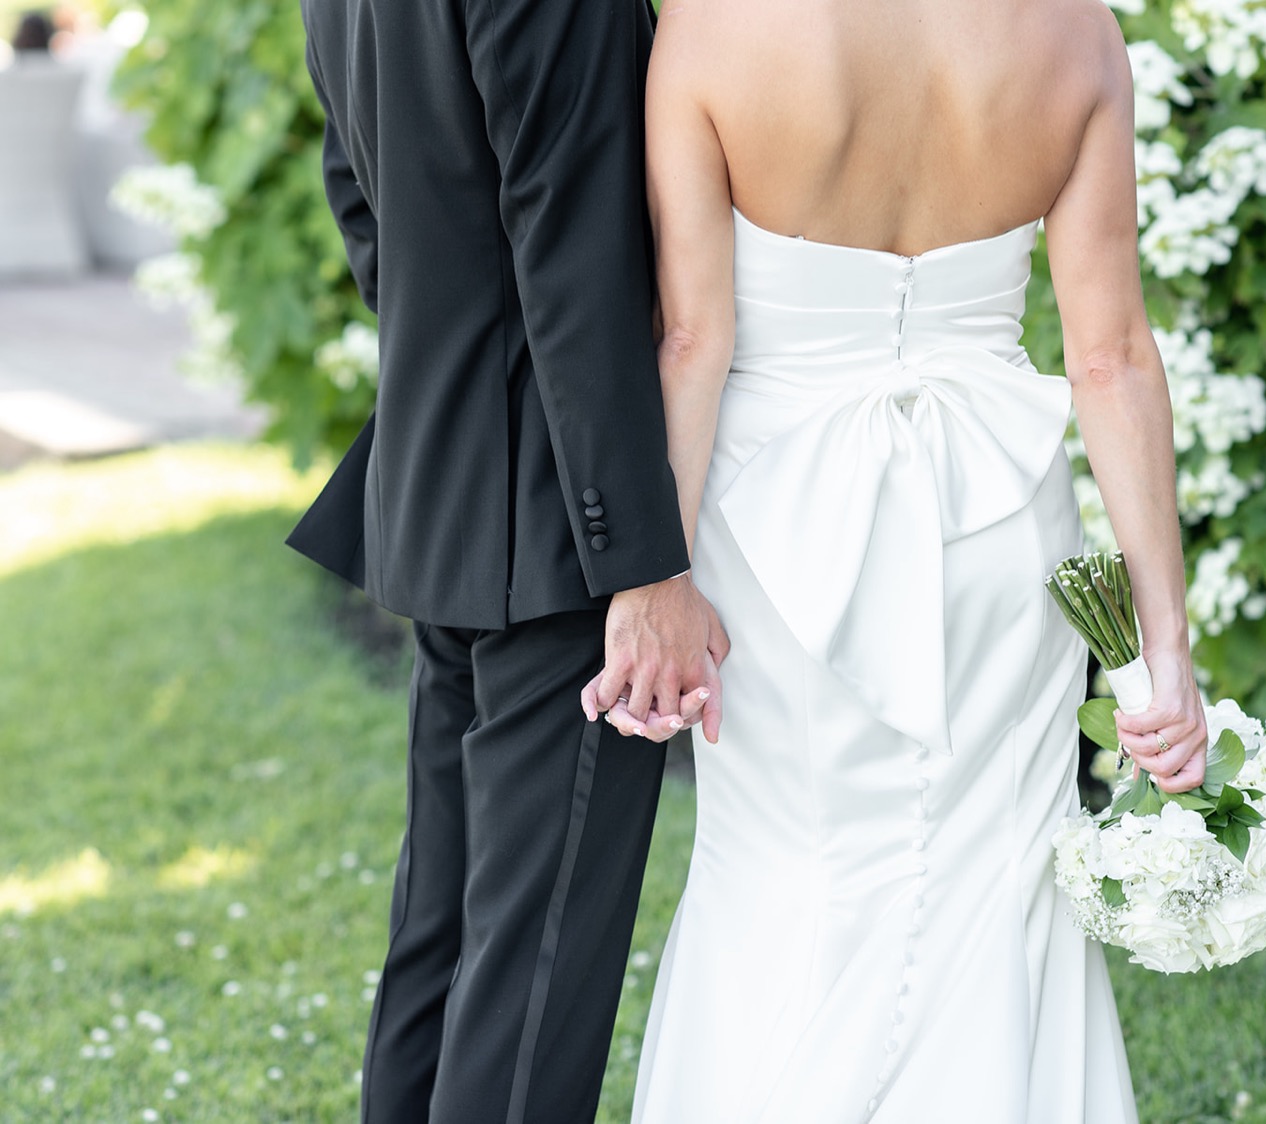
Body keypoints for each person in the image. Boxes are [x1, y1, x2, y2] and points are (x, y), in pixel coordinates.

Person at [608, 0, 1211, 1119]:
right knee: (998, 883)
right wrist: (1162, 644)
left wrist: (656, 577)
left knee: (786, 882)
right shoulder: (1077, 30)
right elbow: (1113, 353)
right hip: (1000, 516)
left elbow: (691, 338)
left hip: (782, 526)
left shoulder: (715, 24)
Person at [288, 0, 728, 1120]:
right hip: (561, 534)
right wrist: (644, 565)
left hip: (443, 488)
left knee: (442, 935)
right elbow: (575, 248)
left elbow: (363, 195)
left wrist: (456, 398)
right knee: (534, 979)